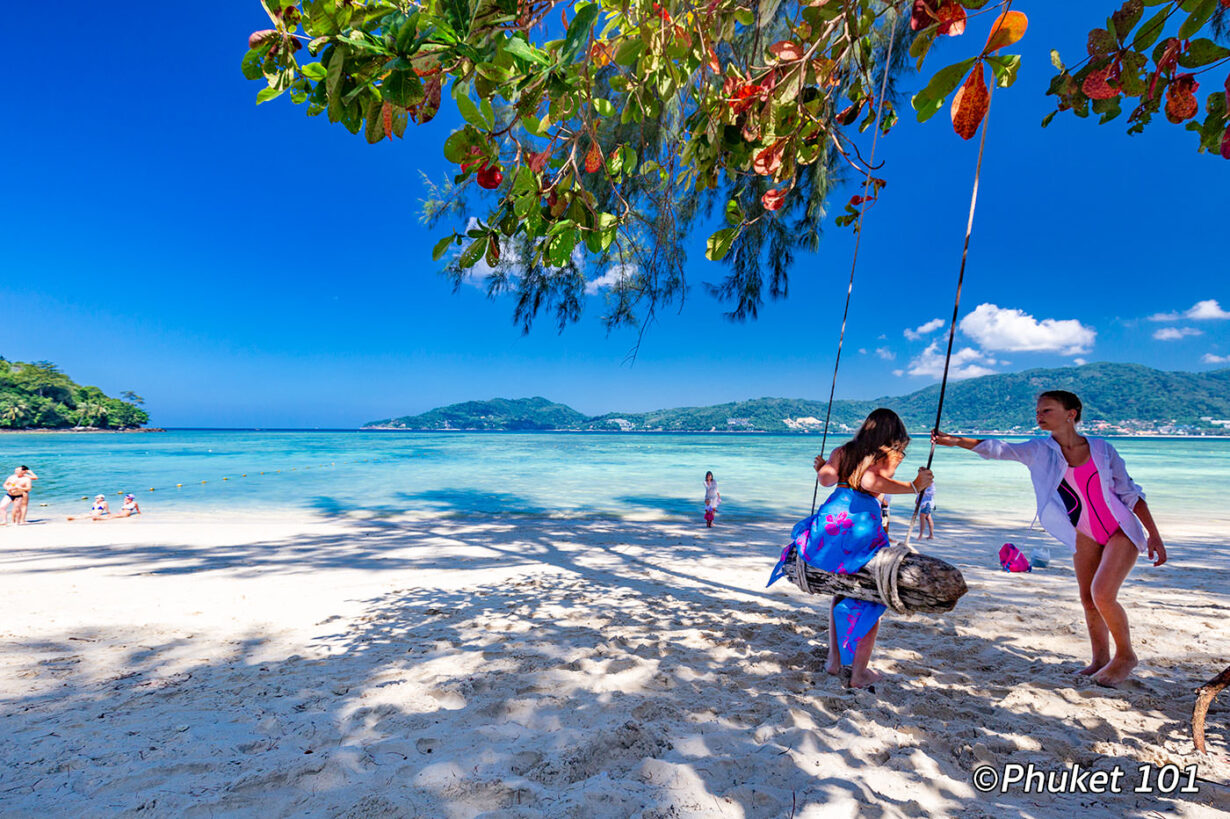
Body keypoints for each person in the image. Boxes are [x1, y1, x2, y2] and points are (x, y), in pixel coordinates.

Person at [932, 390, 1166, 687]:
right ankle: (1099, 659)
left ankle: (1126, 655)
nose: (1039, 416)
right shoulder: (1040, 451)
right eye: (1038, 412)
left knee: (1103, 593)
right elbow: (998, 448)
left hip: (1120, 529)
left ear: (1071, 414)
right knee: (1087, 599)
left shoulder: (1103, 449)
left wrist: (1154, 535)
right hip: (1085, 533)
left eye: (1047, 411)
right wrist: (954, 441)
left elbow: (1131, 494)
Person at [769, 408, 933, 688]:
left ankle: (834, 661)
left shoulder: (843, 450)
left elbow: (825, 479)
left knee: (839, 589)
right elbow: (869, 481)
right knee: (874, 597)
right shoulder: (884, 454)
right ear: (892, 437)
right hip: (857, 529)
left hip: (827, 527)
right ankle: (859, 673)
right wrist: (914, 486)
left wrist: (825, 466)